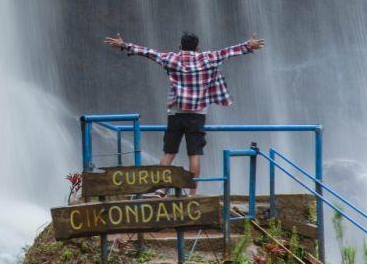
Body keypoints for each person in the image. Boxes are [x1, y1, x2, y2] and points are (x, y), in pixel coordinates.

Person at [103, 31, 265, 193]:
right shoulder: (207, 58)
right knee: (194, 155)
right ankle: (191, 194)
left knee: (169, 153)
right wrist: (249, 45)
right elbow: (229, 52)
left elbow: (148, 52)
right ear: (198, 47)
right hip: (197, 114)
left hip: (176, 113)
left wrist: (124, 45)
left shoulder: (172, 58)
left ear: (180, 46)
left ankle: (160, 190)